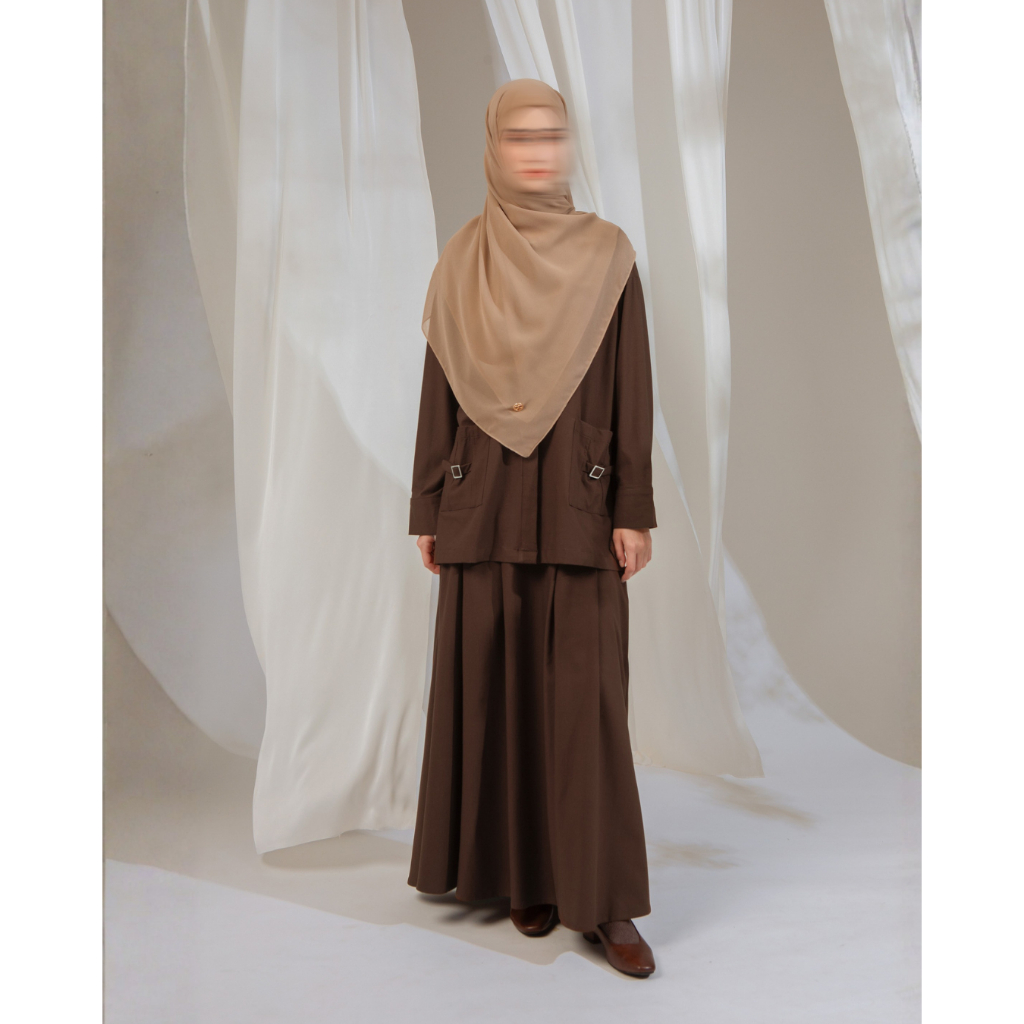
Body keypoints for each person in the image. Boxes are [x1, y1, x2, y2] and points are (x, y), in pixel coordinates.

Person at [407, 79, 657, 978]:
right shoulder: (461, 260)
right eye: (519, 137)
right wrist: (427, 506)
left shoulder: (608, 256)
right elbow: (439, 390)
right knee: (497, 694)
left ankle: (604, 900)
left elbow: (633, 387)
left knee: (587, 707)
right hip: (480, 502)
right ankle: (525, 874)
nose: (538, 152)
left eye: (551, 134)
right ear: (494, 148)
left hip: (578, 501)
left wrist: (633, 508)